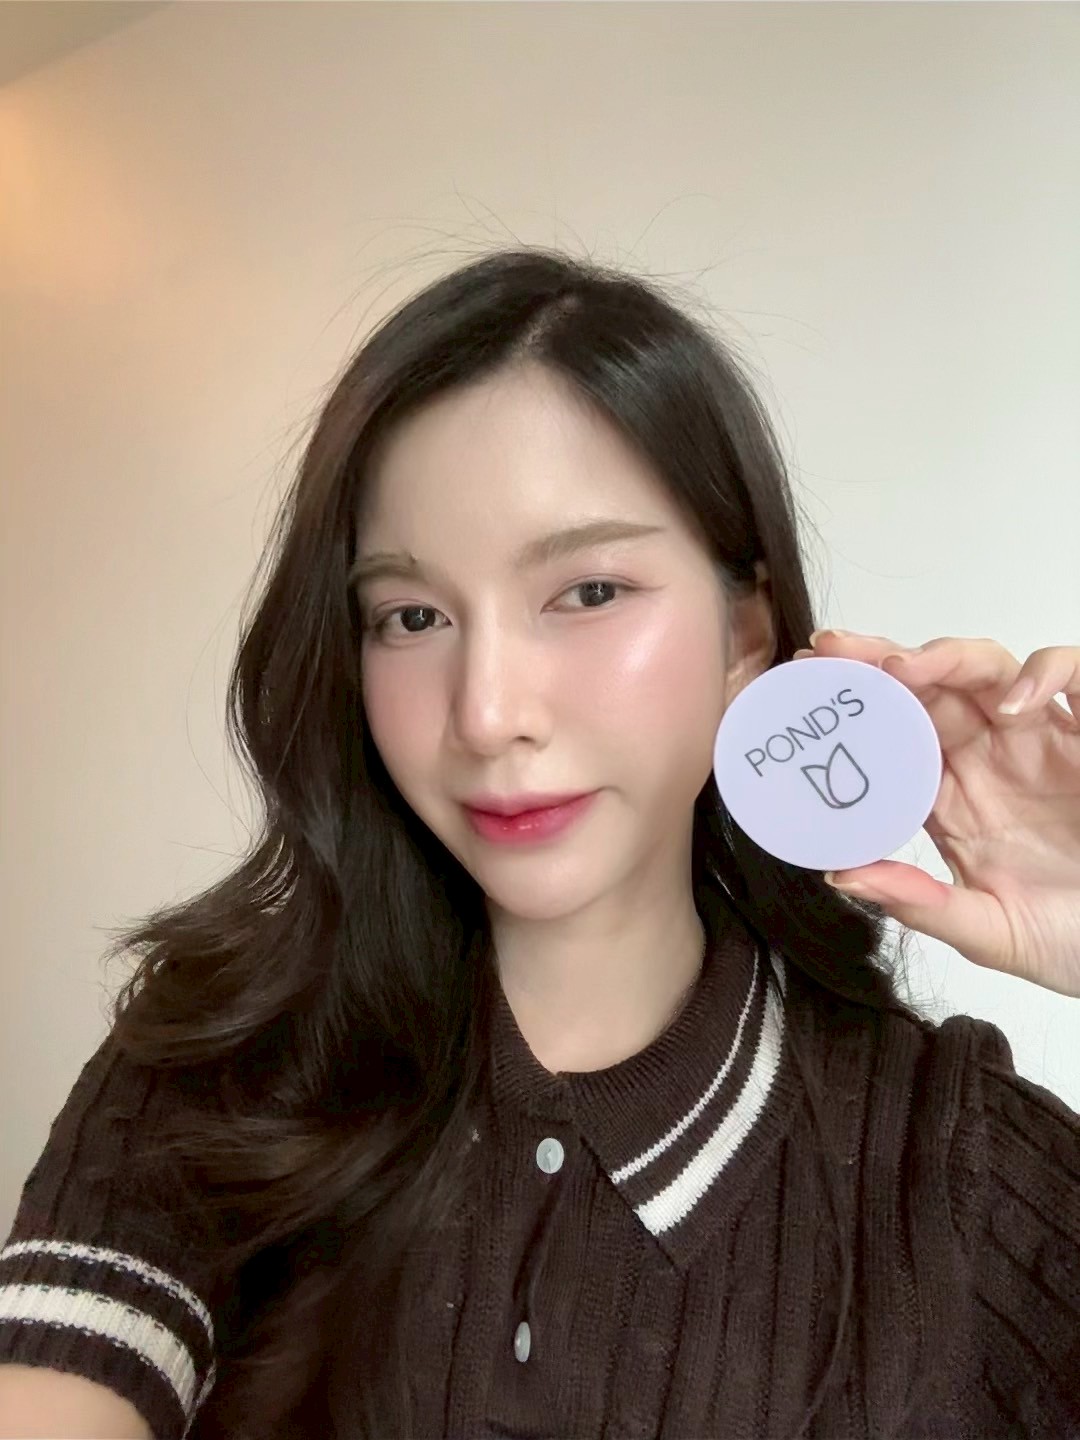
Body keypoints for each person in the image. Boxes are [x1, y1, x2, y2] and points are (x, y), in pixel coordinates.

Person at [0, 246, 1077, 1440]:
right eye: (412, 615)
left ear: (745, 637)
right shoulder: (223, 1055)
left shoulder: (950, 1159)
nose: (487, 713)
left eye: (588, 592)